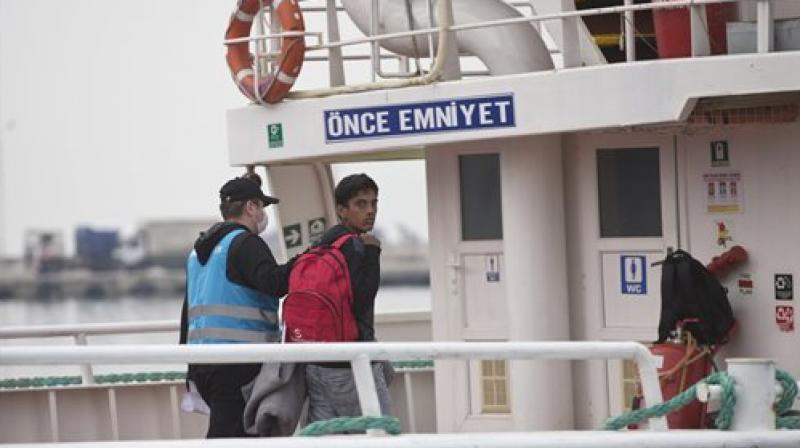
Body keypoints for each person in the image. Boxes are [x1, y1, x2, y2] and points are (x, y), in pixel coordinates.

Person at [179, 175, 293, 438]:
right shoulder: (244, 242)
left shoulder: (198, 252)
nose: (263, 214)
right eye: (261, 206)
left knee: (236, 434)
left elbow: (188, 310)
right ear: (250, 207)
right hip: (237, 364)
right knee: (230, 437)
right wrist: (307, 259)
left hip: (203, 364)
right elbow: (274, 282)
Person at [304, 173, 393, 423]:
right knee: (380, 433)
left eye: (374, 203)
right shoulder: (354, 246)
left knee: (329, 438)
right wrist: (373, 252)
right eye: (361, 204)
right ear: (342, 210)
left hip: (316, 363)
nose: (371, 211)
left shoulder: (322, 243)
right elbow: (362, 299)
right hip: (350, 363)